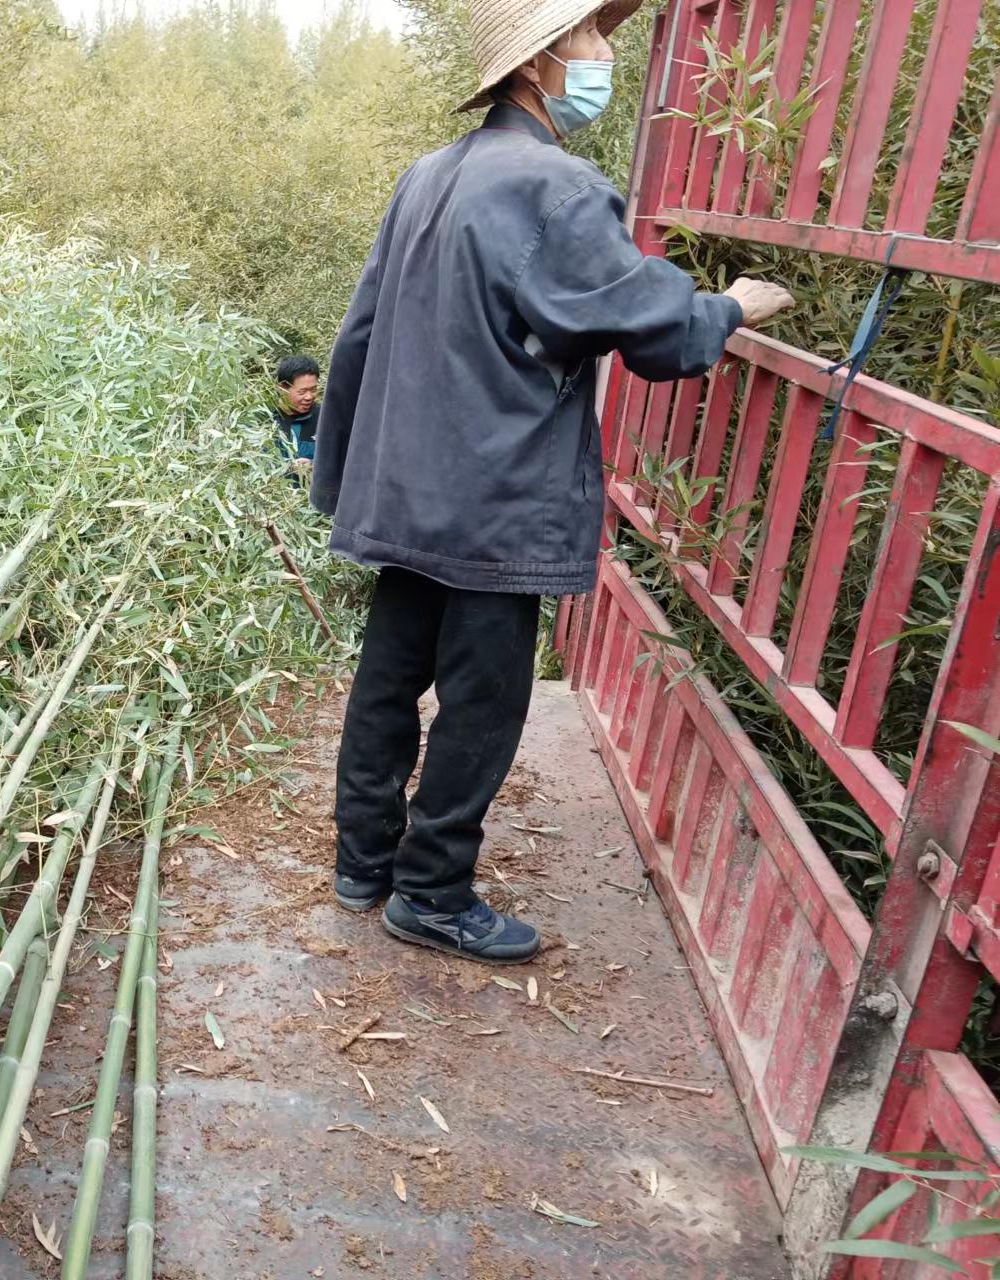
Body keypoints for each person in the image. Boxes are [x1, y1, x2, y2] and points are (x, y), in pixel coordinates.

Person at [312, 0, 794, 964]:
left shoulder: (428, 174)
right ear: (539, 63)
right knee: (484, 697)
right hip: (495, 494)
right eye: (592, 37)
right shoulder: (557, 186)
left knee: (389, 677)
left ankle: (364, 864)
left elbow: (360, 332)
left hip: (407, 484)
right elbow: (652, 329)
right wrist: (729, 307)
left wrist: (346, 472)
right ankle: (434, 891)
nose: (604, 52)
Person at [272, 354, 320, 477]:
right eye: (302, 392)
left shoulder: (324, 418)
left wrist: (313, 464)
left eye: (313, 390)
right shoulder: (263, 419)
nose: (309, 397)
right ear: (282, 388)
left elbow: (341, 459)